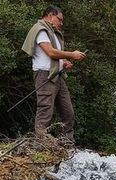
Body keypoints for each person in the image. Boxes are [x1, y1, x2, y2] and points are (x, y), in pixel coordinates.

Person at [21, 5, 86, 142]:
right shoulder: (40, 29)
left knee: (68, 112)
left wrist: (64, 62)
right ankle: (41, 144)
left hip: (57, 75)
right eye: (59, 19)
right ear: (50, 15)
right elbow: (50, 52)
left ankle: (66, 143)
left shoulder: (53, 31)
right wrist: (72, 54)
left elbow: (54, 56)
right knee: (45, 111)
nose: (61, 23)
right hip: (44, 75)